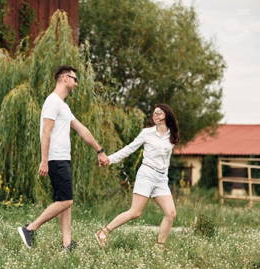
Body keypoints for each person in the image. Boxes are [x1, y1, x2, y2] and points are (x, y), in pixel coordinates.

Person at [18, 65, 108, 250]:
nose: (76, 83)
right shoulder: (52, 101)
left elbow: (82, 130)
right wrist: (44, 160)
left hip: (62, 158)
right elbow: (46, 131)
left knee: (65, 201)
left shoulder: (63, 106)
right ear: (64, 78)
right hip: (55, 158)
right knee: (66, 201)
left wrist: (100, 150)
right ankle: (30, 228)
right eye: (75, 79)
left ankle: (67, 244)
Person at [95, 104, 179, 249]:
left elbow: (166, 160)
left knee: (171, 213)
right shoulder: (147, 133)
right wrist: (110, 159)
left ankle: (159, 247)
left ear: (166, 115)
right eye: (153, 114)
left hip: (161, 179)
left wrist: (163, 178)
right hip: (147, 174)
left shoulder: (171, 135)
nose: (155, 116)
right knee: (135, 212)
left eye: (158, 113)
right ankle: (103, 232)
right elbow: (130, 148)